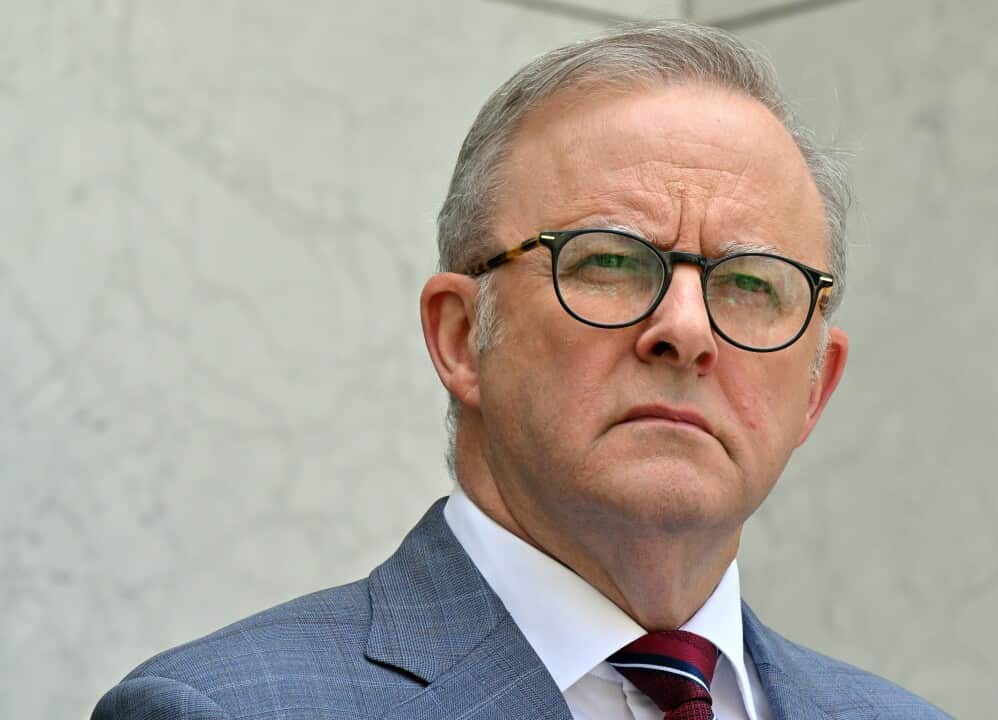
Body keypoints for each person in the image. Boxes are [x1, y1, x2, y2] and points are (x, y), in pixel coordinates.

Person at [93, 21, 951, 720]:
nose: (687, 330)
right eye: (610, 263)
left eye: (752, 284)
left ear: (816, 389)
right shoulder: (221, 710)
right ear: (462, 337)